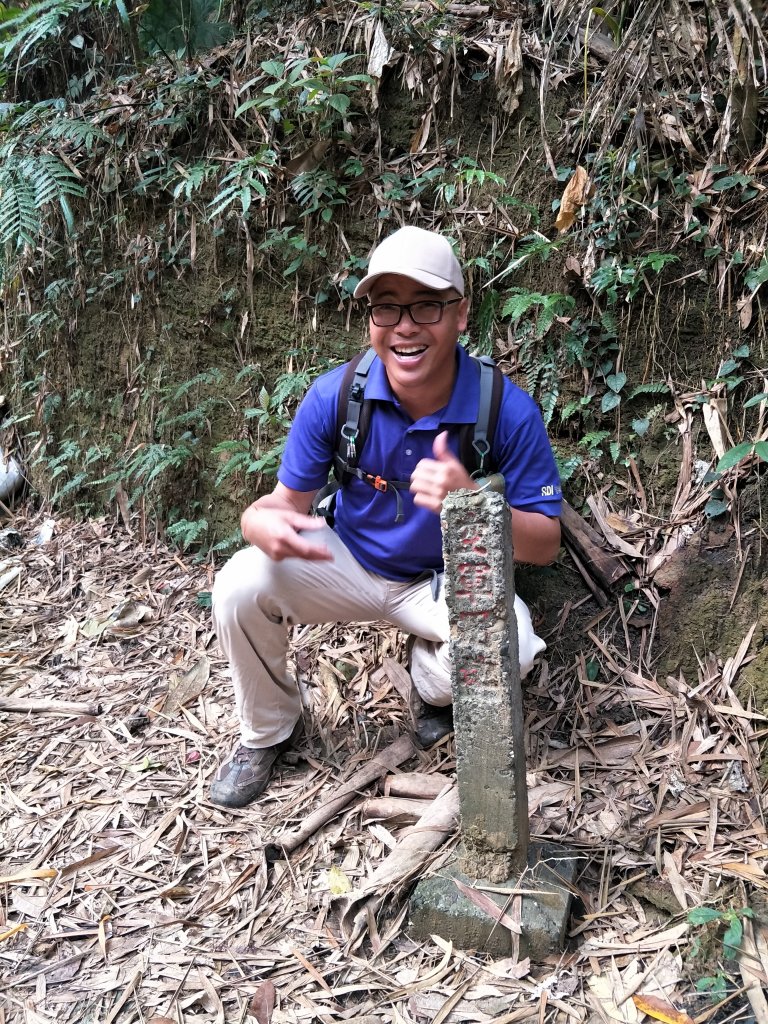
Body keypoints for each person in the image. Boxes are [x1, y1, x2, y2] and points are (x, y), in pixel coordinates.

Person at [210, 226, 562, 808]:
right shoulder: (336, 395)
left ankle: (430, 683)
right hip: (344, 558)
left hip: (443, 578)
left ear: (461, 315)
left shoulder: (503, 409)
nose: (404, 325)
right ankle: (266, 732)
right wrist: (257, 521)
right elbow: (283, 505)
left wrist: (471, 500)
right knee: (239, 585)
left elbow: (545, 542)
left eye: (426, 305)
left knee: (515, 646)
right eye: (386, 307)